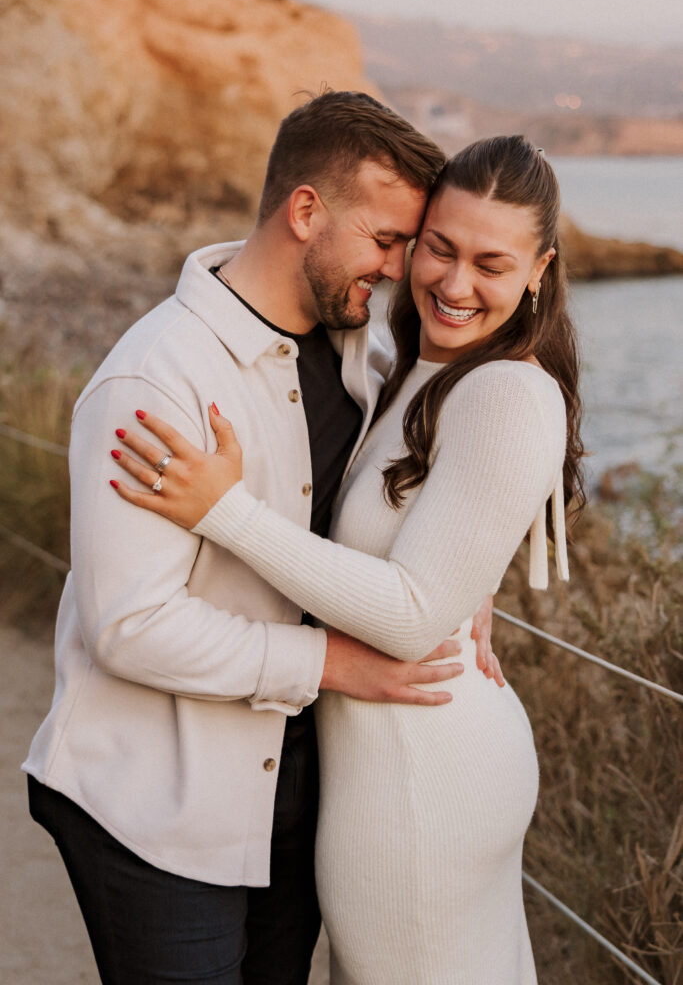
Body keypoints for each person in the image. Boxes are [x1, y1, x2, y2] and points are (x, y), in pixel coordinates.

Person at [22, 91, 501, 985]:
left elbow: (415, 489)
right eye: (386, 240)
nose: (399, 271)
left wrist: (464, 581)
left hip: (291, 799)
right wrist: (331, 663)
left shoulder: (360, 357)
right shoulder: (154, 383)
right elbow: (130, 626)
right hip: (155, 807)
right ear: (306, 211)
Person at [110, 135, 584, 984]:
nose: (452, 283)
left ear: (539, 269)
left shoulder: (509, 391)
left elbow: (408, 617)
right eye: (435, 247)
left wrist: (226, 513)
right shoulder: (407, 366)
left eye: (491, 262)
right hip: (382, 767)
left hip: (422, 782)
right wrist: (457, 578)